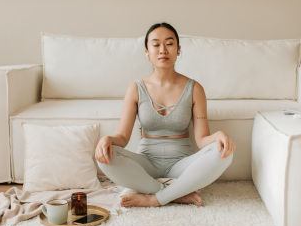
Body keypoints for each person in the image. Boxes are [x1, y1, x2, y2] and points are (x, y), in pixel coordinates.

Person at [95, 22, 235, 208]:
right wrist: (107, 139)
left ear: (178, 50)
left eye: (169, 44)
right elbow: (122, 137)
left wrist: (218, 136)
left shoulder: (195, 88)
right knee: (104, 156)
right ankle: (174, 194)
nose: (163, 50)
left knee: (225, 153)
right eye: (156, 44)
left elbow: (202, 140)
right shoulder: (135, 89)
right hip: (146, 164)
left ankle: (155, 198)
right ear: (147, 52)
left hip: (182, 165)